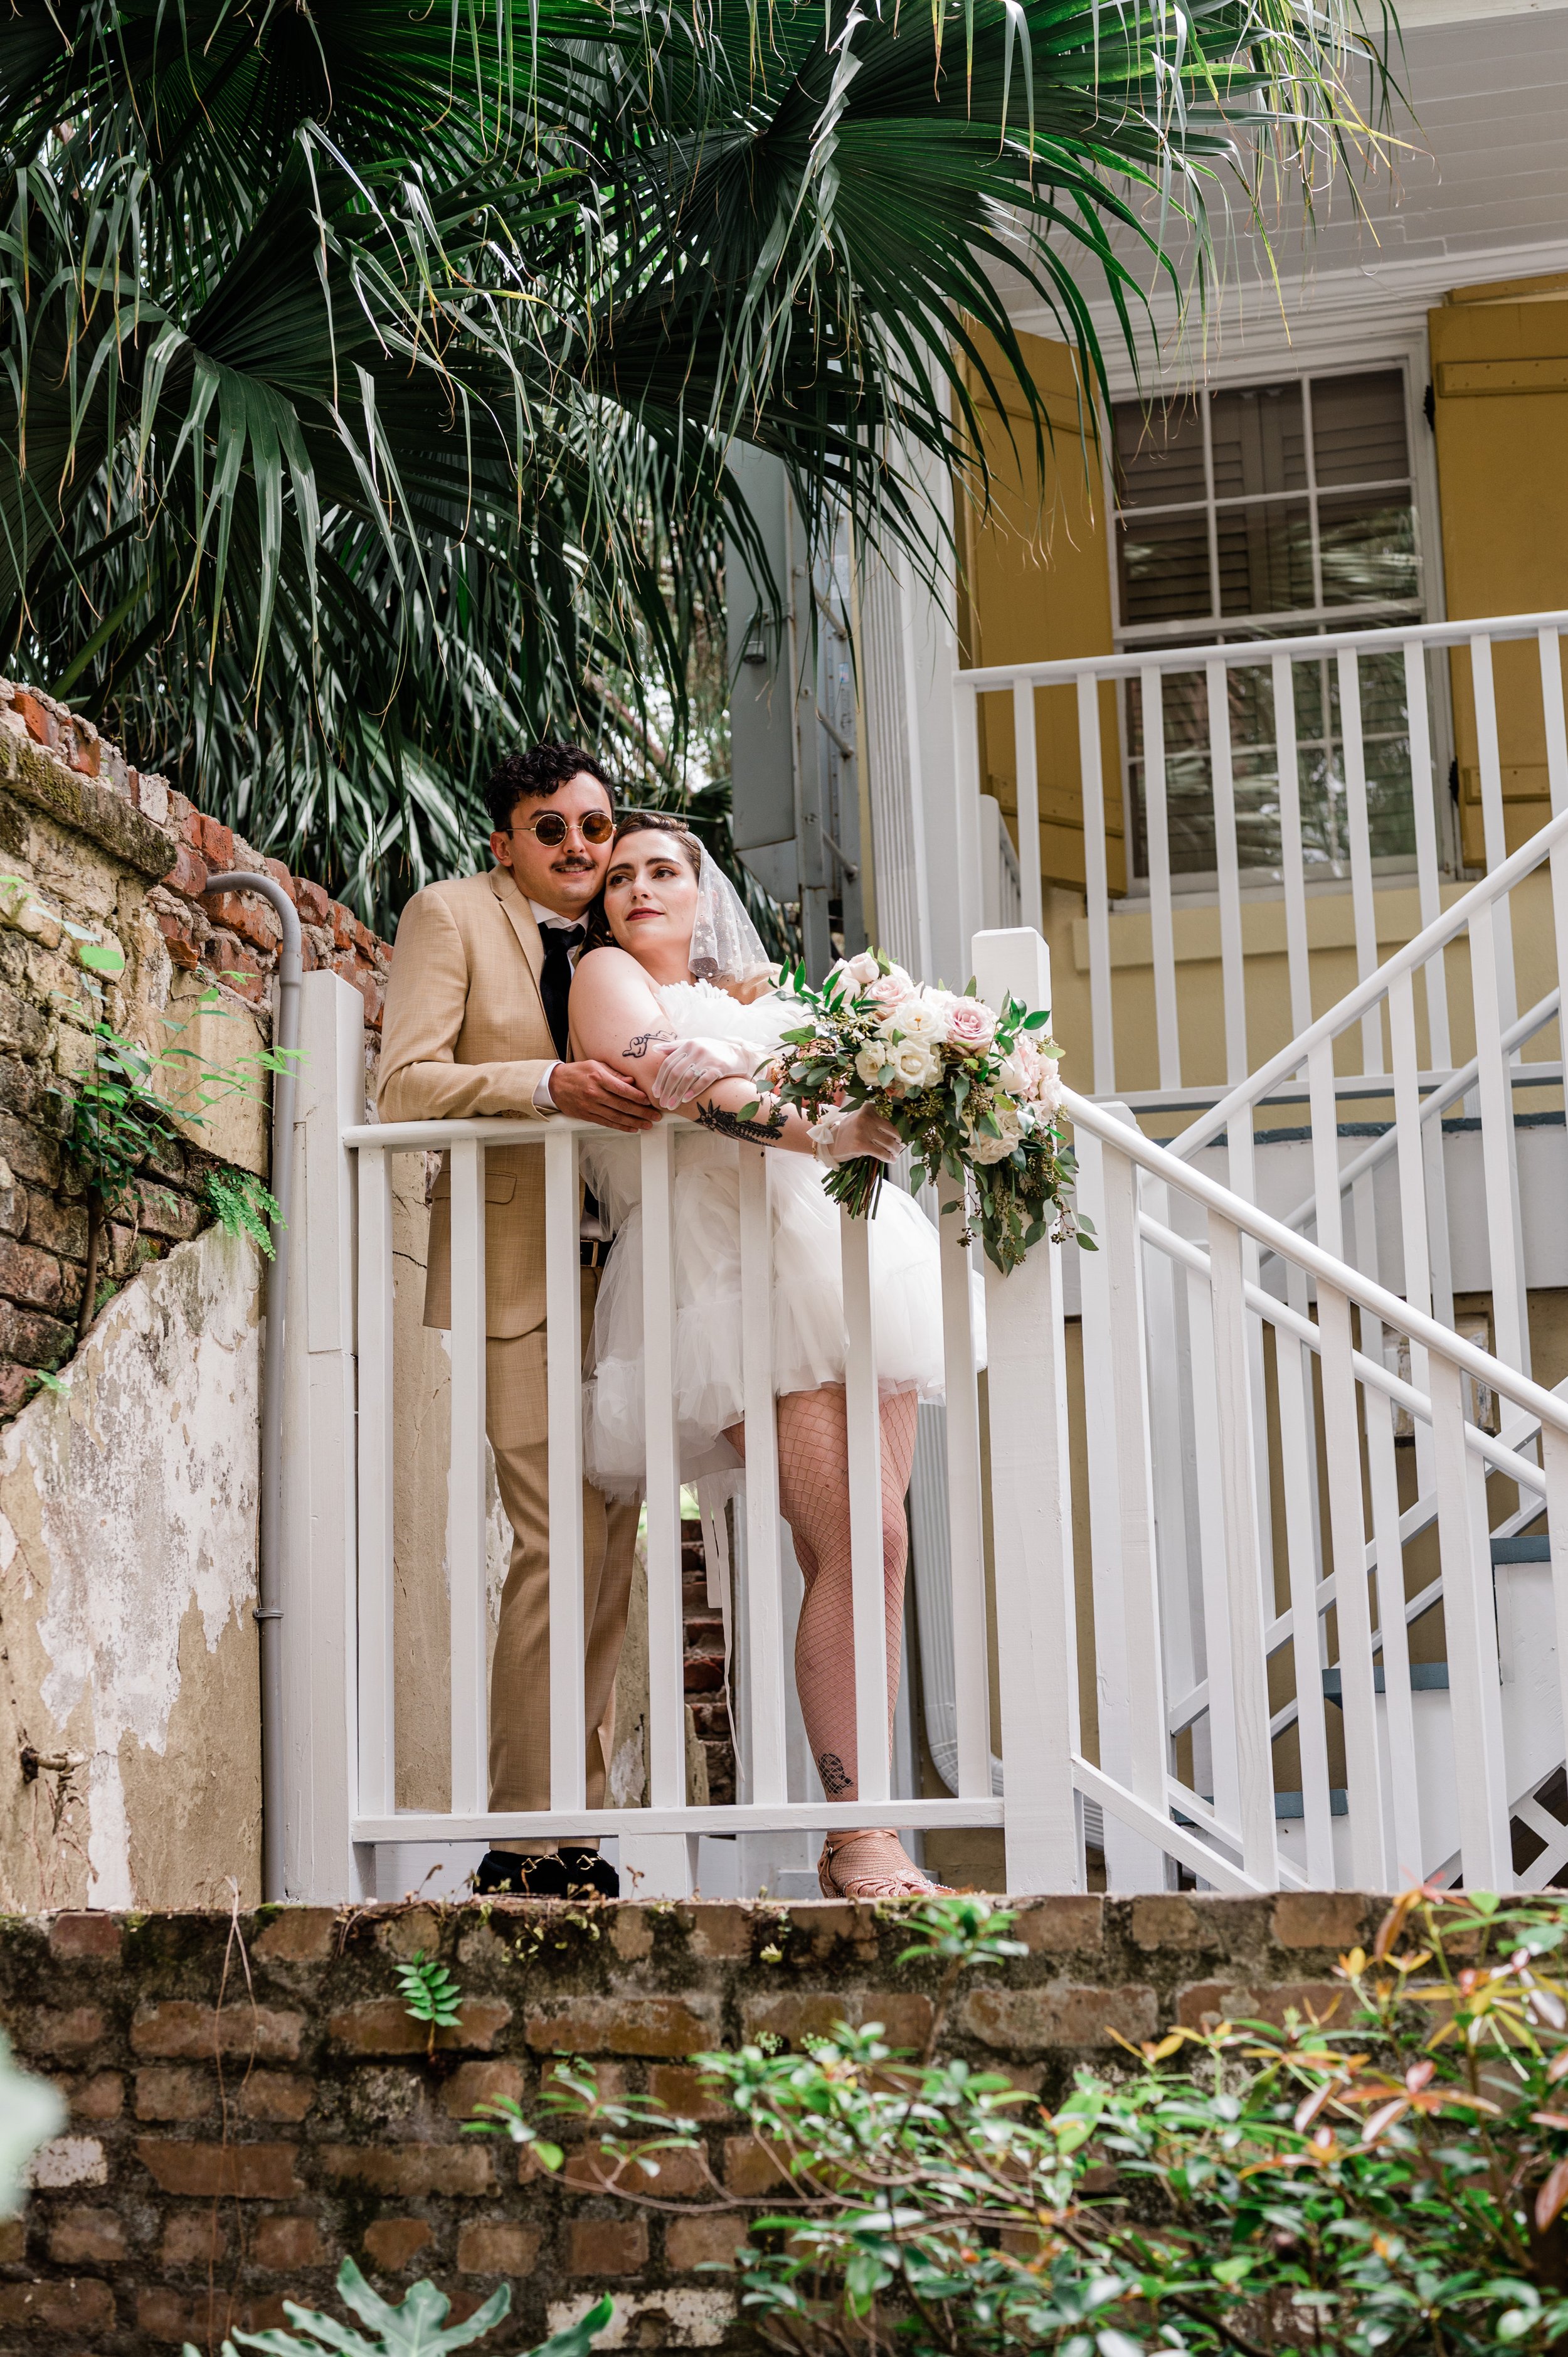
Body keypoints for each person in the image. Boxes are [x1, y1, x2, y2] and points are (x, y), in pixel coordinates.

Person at [568, 811, 964, 1900]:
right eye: (620, 878)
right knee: (852, 1528)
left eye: (665, 871)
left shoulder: (772, 999)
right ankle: (859, 1833)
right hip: (721, 1272)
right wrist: (823, 1133)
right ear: (600, 908)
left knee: (878, 1548)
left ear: (703, 895)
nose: (641, 888)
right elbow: (675, 1078)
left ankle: (865, 1830)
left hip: (847, 1258)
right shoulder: (606, 979)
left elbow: (849, 1081)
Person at [378, 744, 658, 1899]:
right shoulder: (449, 914)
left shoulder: (621, 945)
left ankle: (573, 1831)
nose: (581, 850)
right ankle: (519, 1836)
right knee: (555, 1542)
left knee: (612, 1561)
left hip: (631, 1271)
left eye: (595, 828)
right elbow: (402, 1086)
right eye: (552, 829)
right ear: (505, 840)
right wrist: (543, 1087)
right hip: (517, 1265)